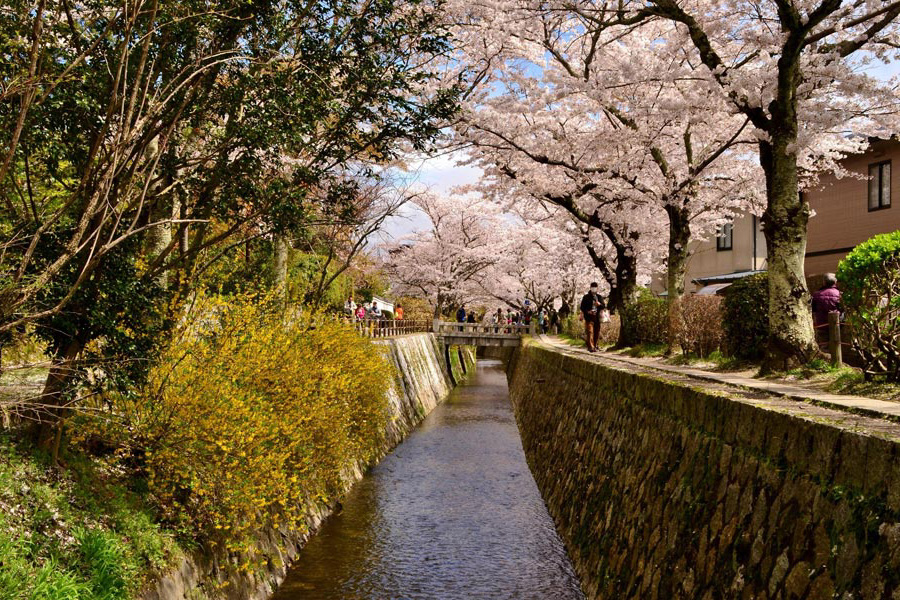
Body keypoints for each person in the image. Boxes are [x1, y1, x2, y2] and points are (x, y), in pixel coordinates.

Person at [812, 273, 842, 340]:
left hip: (821, 325)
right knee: (837, 342)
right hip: (836, 324)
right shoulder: (839, 294)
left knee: (824, 344)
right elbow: (842, 309)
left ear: (824, 282)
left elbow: (813, 309)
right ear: (835, 282)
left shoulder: (816, 295)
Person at [580, 282, 606, 352]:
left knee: (596, 332)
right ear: (590, 288)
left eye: (595, 287)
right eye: (592, 287)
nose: (594, 288)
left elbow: (604, 306)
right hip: (589, 317)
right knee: (590, 331)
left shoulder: (599, 297)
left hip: (597, 318)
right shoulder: (586, 297)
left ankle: (595, 345)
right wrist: (588, 312)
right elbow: (582, 307)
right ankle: (591, 347)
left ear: (597, 288)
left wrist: (599, 304)